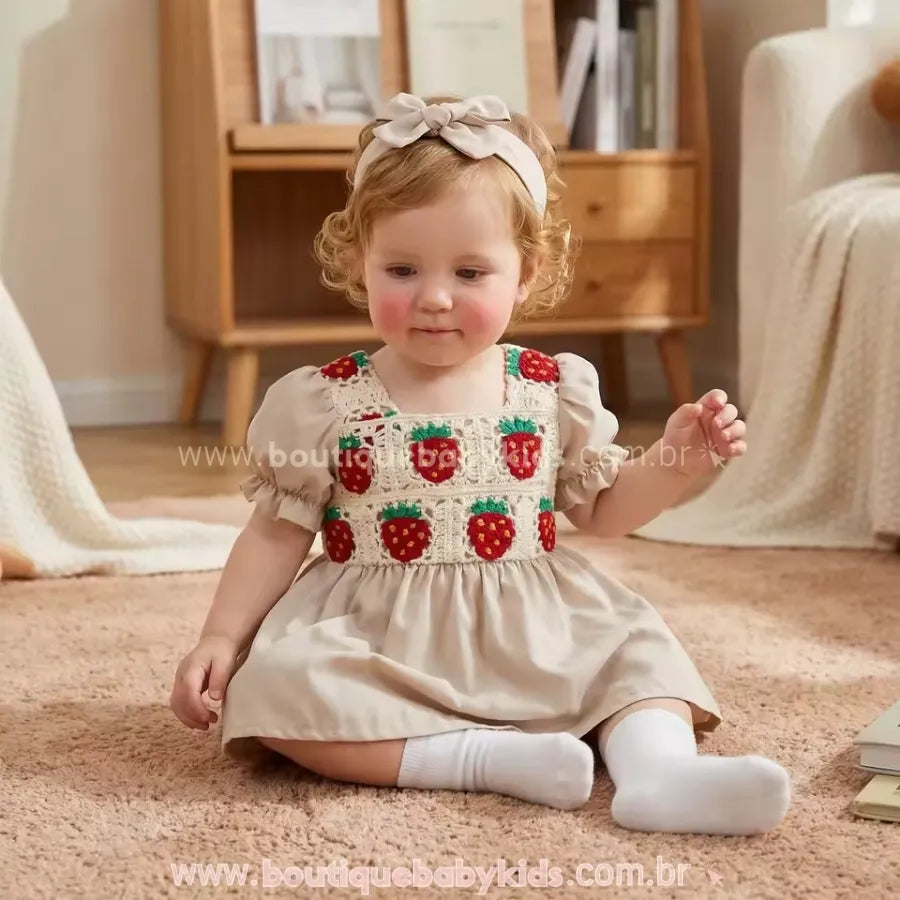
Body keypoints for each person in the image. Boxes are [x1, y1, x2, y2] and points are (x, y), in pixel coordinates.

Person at [170, 94, 790, 835]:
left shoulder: (550, 389)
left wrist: (678, 461)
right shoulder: (324, 402)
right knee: (275, 687)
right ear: (360, 263)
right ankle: (481, 758)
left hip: (531, 625)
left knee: (636, 648)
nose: (434, 297)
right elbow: (276, 533)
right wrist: (221, 637)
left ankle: (660, 775)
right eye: (402, 269)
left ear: (525, 273)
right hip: (377, 634)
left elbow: (603, 510)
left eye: (470, 272)